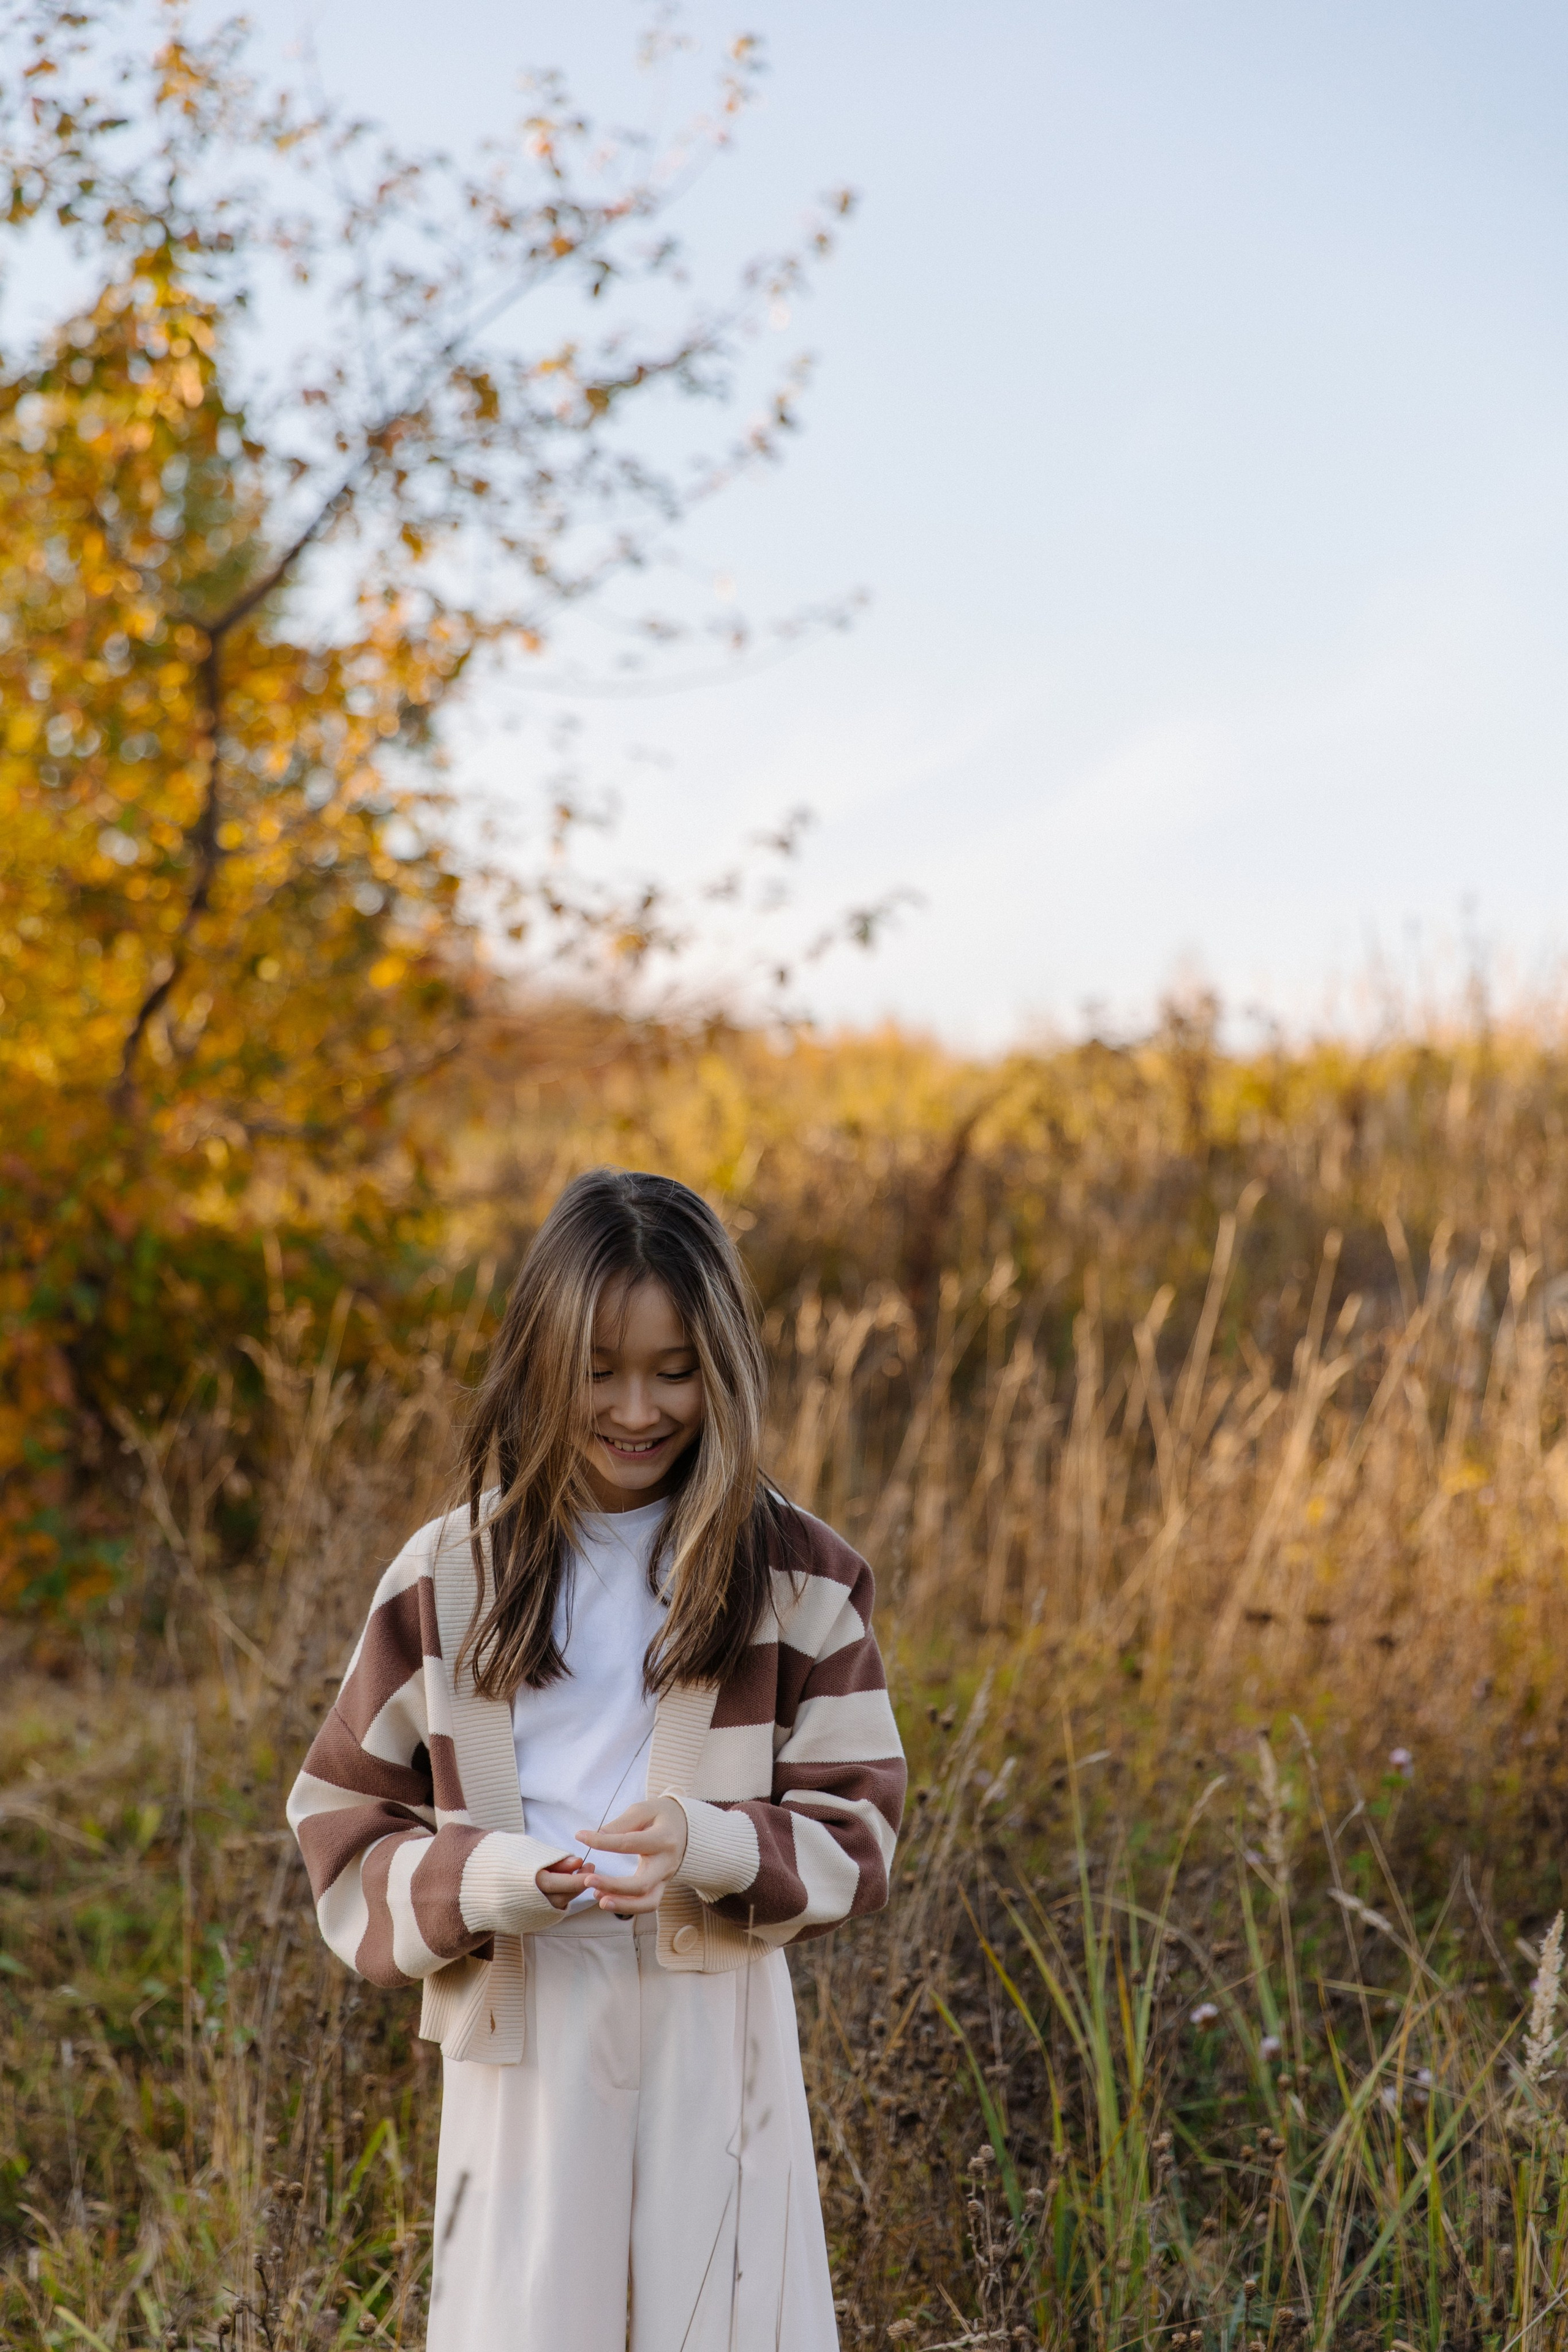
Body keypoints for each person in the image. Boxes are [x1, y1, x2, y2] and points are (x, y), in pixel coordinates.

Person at [287, 1167, 907, 2351]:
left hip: (717, 2005)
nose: (637, 1409)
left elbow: (860, 1828)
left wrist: (708, 1843)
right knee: (524, 2323)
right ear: (537, 1361)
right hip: (523, 2012)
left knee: (730, 2319)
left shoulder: (801, 1576)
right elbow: (343, 1819)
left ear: (721, 1367)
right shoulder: (449, 1574)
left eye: (674, 1371)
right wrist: (482, 1879)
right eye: (599, 1371)